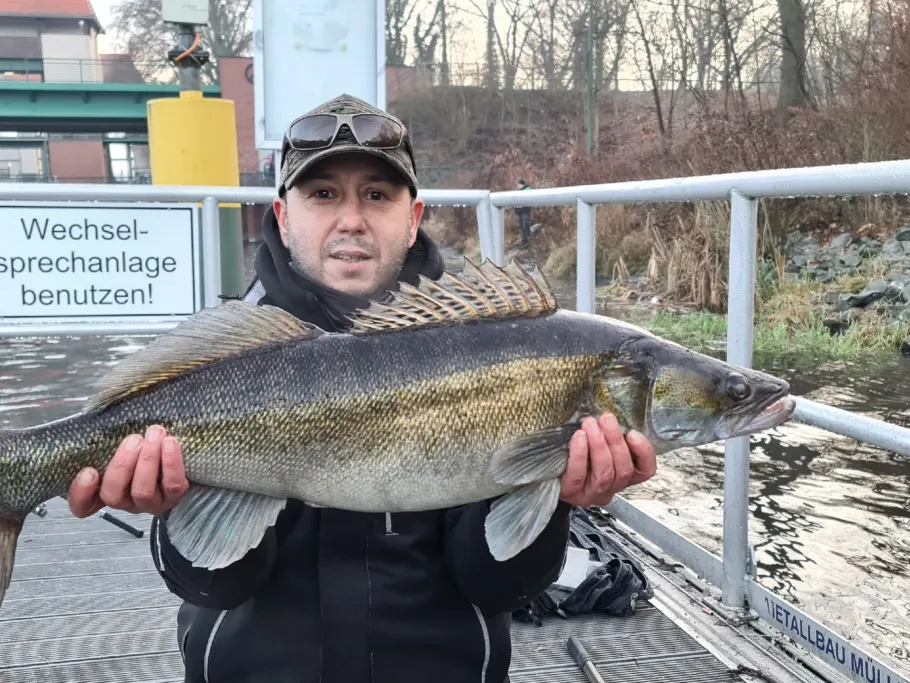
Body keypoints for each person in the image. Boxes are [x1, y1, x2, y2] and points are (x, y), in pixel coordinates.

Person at [65, 93, 658, 683]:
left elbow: (498, 583)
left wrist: (555, 498)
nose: (351, 218)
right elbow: (215, 584)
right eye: (323, 195)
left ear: (414, 217)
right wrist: (173, 507)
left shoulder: (490, 346)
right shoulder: (226, 359)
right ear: (282, 215)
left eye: (377, 195)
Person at [515, 178, 533, 247]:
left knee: (525, 225)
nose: (518, 186)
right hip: (519, 211)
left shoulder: (527, 191)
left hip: (525, 211)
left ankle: (528, 238)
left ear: (522, 185)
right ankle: (523, 240)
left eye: (519, 184)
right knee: (521, 226)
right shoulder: (518, 191)